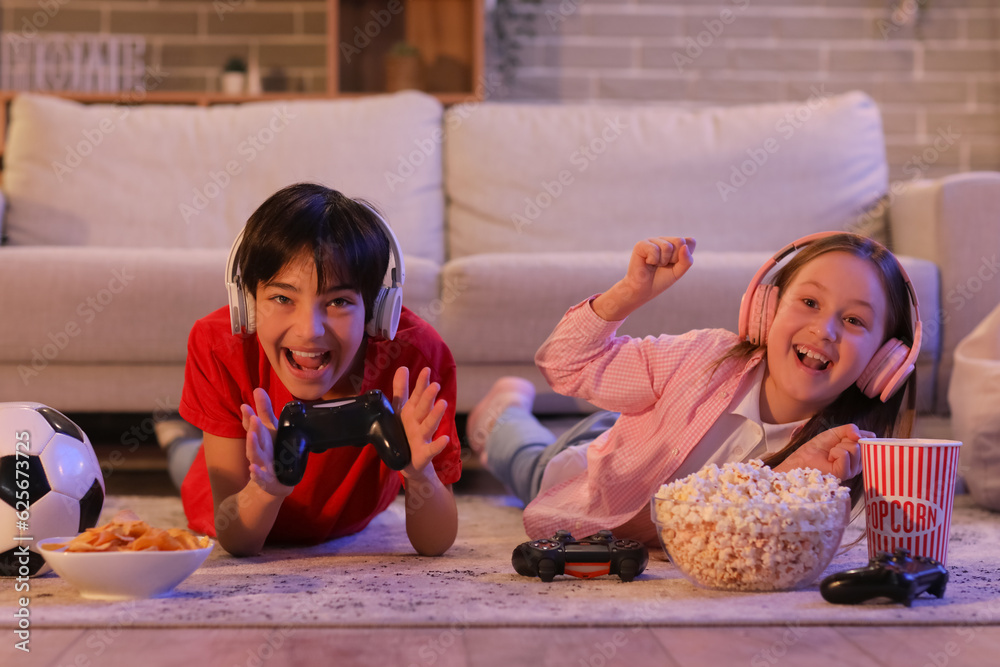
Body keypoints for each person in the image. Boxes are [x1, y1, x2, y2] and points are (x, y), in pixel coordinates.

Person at [467, 232, 920, 545]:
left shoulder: (835, 460)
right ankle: (502, 410)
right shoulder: (702, 356)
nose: (825, 330)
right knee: (526, 465)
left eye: (855, 320)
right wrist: (628, 293)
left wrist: (785, 483)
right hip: (596, 466)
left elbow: (749, 543)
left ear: (885, 362)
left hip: (646, 426)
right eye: (808, 302)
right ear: (767, 309)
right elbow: (565, 366)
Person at [165, 183, 461, 557]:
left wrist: (421, 478)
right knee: (186, 464)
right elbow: (239, 541)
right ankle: (175, 441)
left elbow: (435, 544)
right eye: (282, 298)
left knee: (188, 452)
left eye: (338, 301)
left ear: (376, 311)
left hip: (347, 519)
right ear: (248, 302)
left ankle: (178, 439)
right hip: (233, 508)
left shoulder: (415, 358)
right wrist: (265, 489)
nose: (309, 330)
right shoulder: (218, 344)